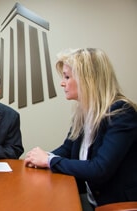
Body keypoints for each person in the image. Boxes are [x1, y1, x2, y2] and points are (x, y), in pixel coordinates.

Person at [24, 48, 137, 210]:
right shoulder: (84, 112)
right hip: (91, 198)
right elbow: (67, 149)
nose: (62, 83)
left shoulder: (121, 112)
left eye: (67, 77)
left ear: (88, 79)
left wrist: (49, 160)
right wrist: (39, 158)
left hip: (118, 204)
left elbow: (99, 169)